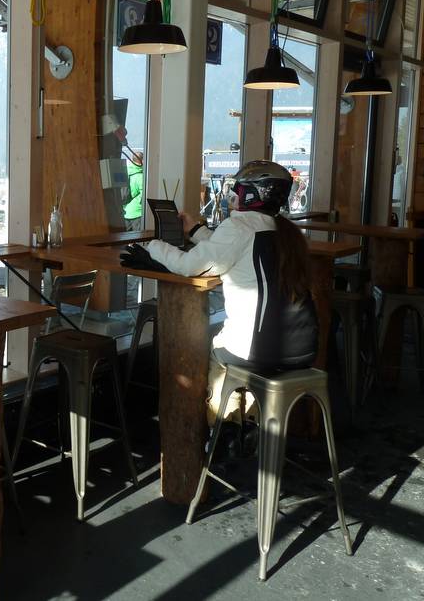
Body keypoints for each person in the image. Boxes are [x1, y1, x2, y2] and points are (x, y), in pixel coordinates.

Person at [121, 160, 317, 424]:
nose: (234, 193)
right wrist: (195, 230)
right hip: (301, 350)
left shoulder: (240, 226)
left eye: (239, 188)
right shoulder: (283, 230)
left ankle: (226, 430)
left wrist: (154, 246)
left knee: (213, 351)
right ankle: (253, 423)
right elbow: (227, 249)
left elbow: (190, 266)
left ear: (253, 193)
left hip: (257, 352)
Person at [122, 151, 144, 231]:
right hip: (137, 213)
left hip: (126, 211)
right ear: (142, 160)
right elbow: (144, 196)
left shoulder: (126, 172)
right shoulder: (140, 176)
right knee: (138, 236)